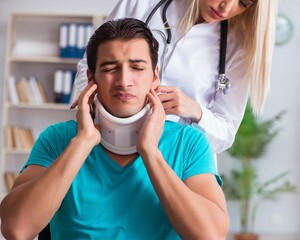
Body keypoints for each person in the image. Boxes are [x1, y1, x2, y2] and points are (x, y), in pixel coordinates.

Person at [0, 18, 229, 240]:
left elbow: (210, 236)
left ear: (155, 77)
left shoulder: (188, 143)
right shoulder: (58, 139)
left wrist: (150, 153)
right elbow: (16, 230)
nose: (124, 80)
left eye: (137, 68)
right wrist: (82, 142)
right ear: (91, 78)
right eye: (110, 68)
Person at [74, 0, 278, 154]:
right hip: (108, 140)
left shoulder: (236, 49)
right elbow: (91, 62)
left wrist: (196, 111)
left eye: (243, 3)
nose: (226, 7)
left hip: (177, 157)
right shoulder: (142, 3)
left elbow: (225, 135)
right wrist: (92, 104)